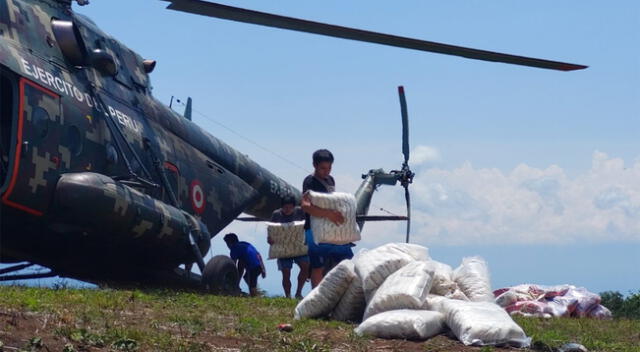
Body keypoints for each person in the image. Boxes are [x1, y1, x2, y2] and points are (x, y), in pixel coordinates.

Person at [301, 149, 354, 287]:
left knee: (345, 261)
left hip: (331, 227)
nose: (327, 171)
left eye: (329, 168)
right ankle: (315, 297)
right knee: (317, 266)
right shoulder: (309, 181)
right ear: (314, 165)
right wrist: (328, 214)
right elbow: (306, 206)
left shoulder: (330, 180)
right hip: (313, 229)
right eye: (323, 168)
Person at [268, 195, 309, 299]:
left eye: (290, 207)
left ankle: (299, 292)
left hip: (298, 245)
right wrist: (270, 239)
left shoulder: (300, 212)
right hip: (283, 248)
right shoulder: (276, 215)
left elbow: (307, 225)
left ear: (294, 207)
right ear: (282, 207)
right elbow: (271, 230)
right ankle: (288, 295)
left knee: (305, 267)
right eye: (285, 207)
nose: (287, 210)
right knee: (286, 273)